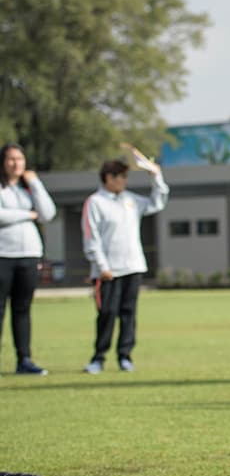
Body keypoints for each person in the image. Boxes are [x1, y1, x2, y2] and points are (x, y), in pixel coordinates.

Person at [81, 154, 169, 373]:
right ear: (108, 178)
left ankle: (125, 356)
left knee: (129, 314)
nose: (124, 181)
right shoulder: (95, 202)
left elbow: (157, 202)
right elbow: (91, 238)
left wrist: (156, 177)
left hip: (133, 267)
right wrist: (102, 266)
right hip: (108, 271)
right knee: (107, 314)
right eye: (120, 176)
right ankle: (98, 358)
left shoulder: (131, 200)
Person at [0, 144, 57, 376]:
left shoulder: (28, 189)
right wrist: (27, 215)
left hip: (29, 255)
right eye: (11, 159)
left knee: (22, 309)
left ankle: (24, 359)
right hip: (3, 255)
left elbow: (48, 213)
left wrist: (35, 183)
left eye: (20, 159)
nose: (16, 164)